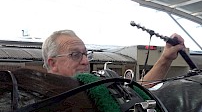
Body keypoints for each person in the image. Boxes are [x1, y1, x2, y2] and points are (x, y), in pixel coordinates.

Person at [42, 29, 185, 80]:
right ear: (53, 63)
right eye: (75, 55)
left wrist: (166, 58)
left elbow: (138, 90)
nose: (86, 61)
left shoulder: (95, 90)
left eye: (86, 54)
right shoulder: (37, 103)